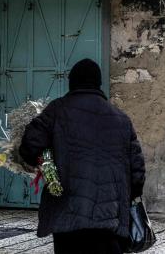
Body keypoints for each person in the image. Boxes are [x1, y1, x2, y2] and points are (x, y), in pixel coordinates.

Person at [20, 58, 145, 254]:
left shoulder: (57, 110)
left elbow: (29, 146)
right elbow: (137, 173)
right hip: (110, 218)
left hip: (68, 217)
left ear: (72, 82)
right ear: (98, 83)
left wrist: (45, 163)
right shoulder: (121, 119)